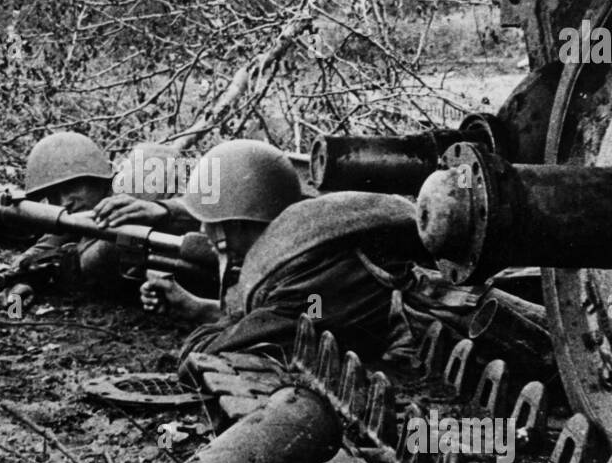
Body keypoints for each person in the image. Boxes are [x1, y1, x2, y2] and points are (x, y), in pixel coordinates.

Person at [140, 139, 432, 369]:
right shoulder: (316, 240)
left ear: (238, 225)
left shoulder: (303, 283)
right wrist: (195, 307)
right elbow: (266, 320)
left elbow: (203, 352)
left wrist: (219, 317)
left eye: (210, 222)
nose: (203, 230)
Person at [5, 135, 202, 307]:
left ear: (99, 179)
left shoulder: (139, 187)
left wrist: (161, 210)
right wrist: (21, 286)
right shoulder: (78, 215)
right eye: (54, 195)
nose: (65, 201)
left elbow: (209, 214)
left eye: (71, 187)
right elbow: (42, 249)